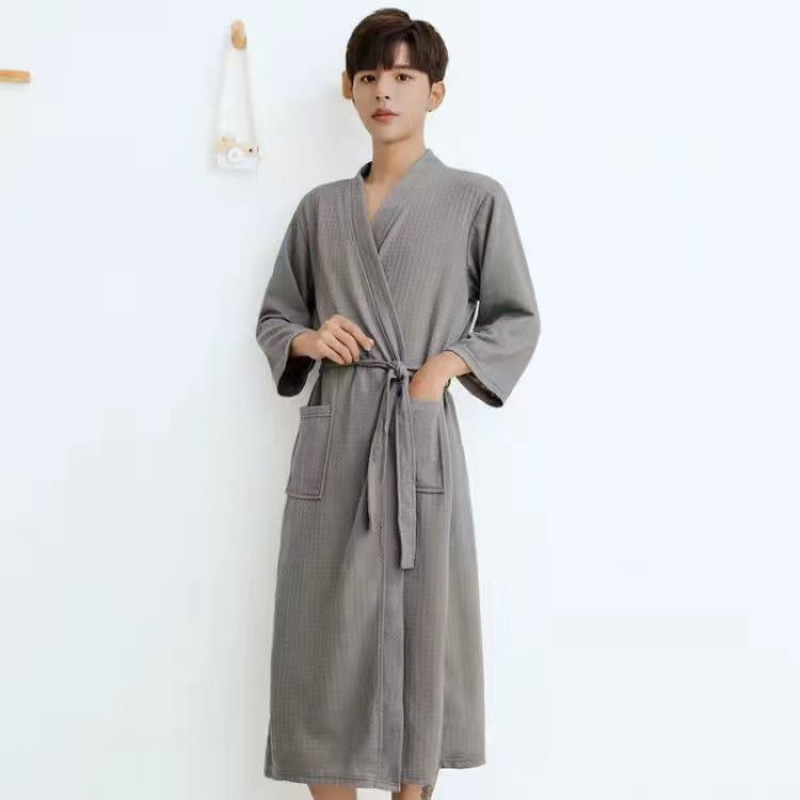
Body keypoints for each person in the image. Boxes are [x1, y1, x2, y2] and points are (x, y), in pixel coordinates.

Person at [255, 8, 541, 800]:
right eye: (371, 77)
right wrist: (311, 338)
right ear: (349, 91)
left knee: (421, 626)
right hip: (336, 436)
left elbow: (516, 317)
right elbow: (277, 317)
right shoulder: (319, 210)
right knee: (320, 637)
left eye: (405, 76)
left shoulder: (476, 199)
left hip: (416, 436)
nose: (386, 91)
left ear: (435, 93)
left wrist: (442, 368)